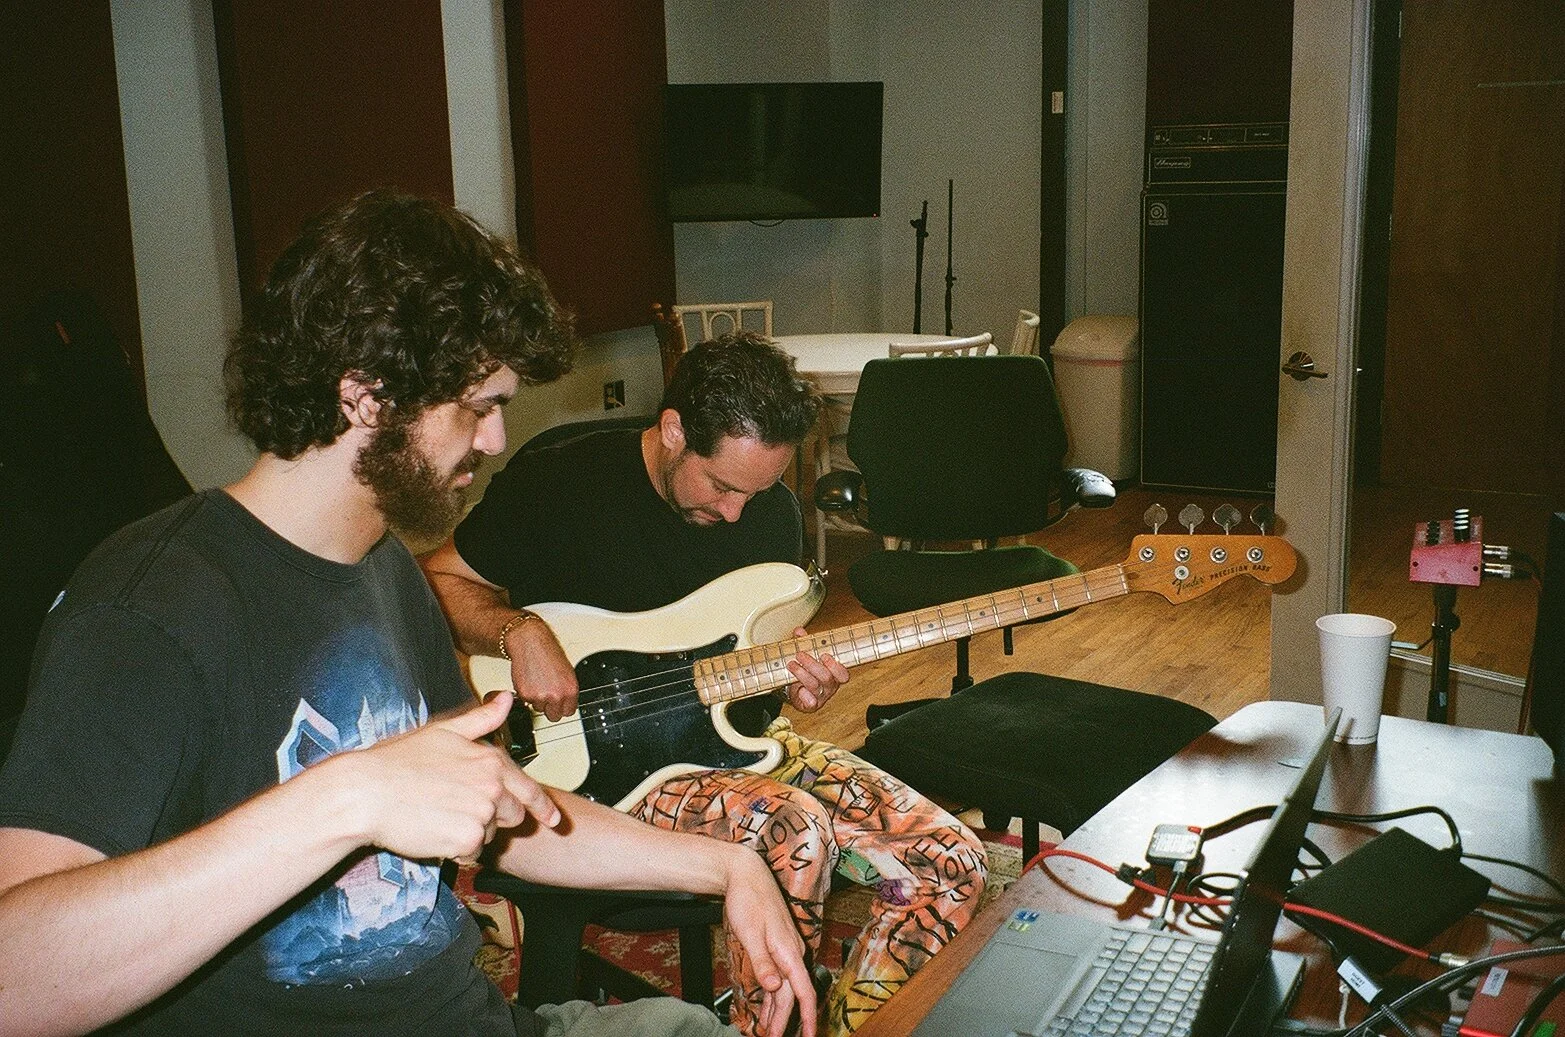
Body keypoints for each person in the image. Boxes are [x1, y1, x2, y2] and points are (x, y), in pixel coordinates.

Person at [0, 191, 816, 1037]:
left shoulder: (384, 570)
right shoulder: (149, 606)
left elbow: (510, 813)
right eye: (479, 405)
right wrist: (347, 797)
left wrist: (728, 866)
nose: (495, 440)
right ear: (364, 396)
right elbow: (14, 981)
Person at [420, 334, 989, 1037]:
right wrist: (518, 632)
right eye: (720, 486)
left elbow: (751, 669)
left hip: (733, 746)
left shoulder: (771, 514)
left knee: (950, 860)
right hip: (591, 768)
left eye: (755, 491)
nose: (733, 514)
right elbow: (433, 580)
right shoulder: (557, 482)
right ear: (672, 431)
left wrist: (793, 683)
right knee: (795, 832)